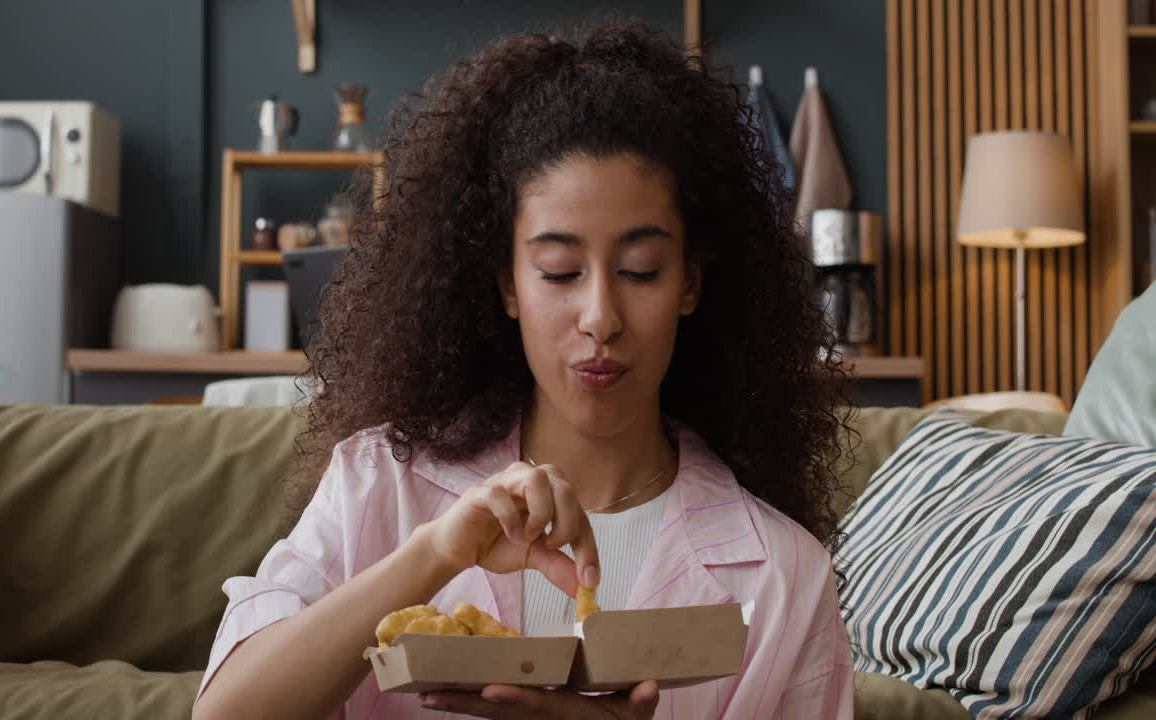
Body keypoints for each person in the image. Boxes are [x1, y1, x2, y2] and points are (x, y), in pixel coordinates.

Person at [194, 19, 854, 720]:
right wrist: (433, 556)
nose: (601, 317)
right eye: (560, 271)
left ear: (690, 282)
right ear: (508, 284)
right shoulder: (381, 483)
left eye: (641, 270)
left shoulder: (785, 574)